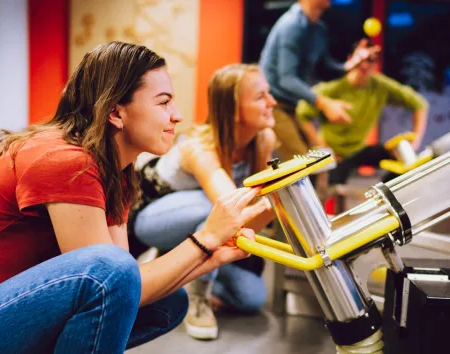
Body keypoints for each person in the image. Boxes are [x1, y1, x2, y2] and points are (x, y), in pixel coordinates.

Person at [0, 42, 266, 353]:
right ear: (115, 112)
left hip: (16, 305)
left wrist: (211, 256)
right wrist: (206, 237)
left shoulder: (113, 164)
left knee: (169, 302)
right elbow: (110, 274)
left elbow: (126, 284)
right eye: (163, 103)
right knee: (113, 270)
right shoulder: (66, 162)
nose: (177, 116)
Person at [129, 63, 277, 340]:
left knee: (251, 298)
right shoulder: (200, 147)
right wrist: (278, 203)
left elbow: (250, 217)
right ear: (233, 110)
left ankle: (178, 268)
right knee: (217, 206)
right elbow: (234, 211)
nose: (273, 102)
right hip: (150, 220)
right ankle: (198, 297)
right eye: (260, 97)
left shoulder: (264, 140)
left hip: (198, 224)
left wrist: (276, 205)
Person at [259, 0, 380, 161]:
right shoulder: (292, 25)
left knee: (319, 157)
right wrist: (323, 103)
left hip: (293, 105)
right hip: (273, 104)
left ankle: (323, 187)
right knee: (300, 163)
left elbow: (325, 68)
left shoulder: (318, 29)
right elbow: (286, 79)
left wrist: (351, 65)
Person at [296, 41, 429, 184]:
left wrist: (415, 141)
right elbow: (302, 113)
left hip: (359, 148)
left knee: (404, 158)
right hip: (335, 153)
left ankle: (387, 192)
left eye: (370, 60)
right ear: (351, 60)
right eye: (361, 59)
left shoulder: (379, 85)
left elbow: (419, 104)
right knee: (325, 185)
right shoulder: (333, 86)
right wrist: (319, 144)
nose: (364, 65)